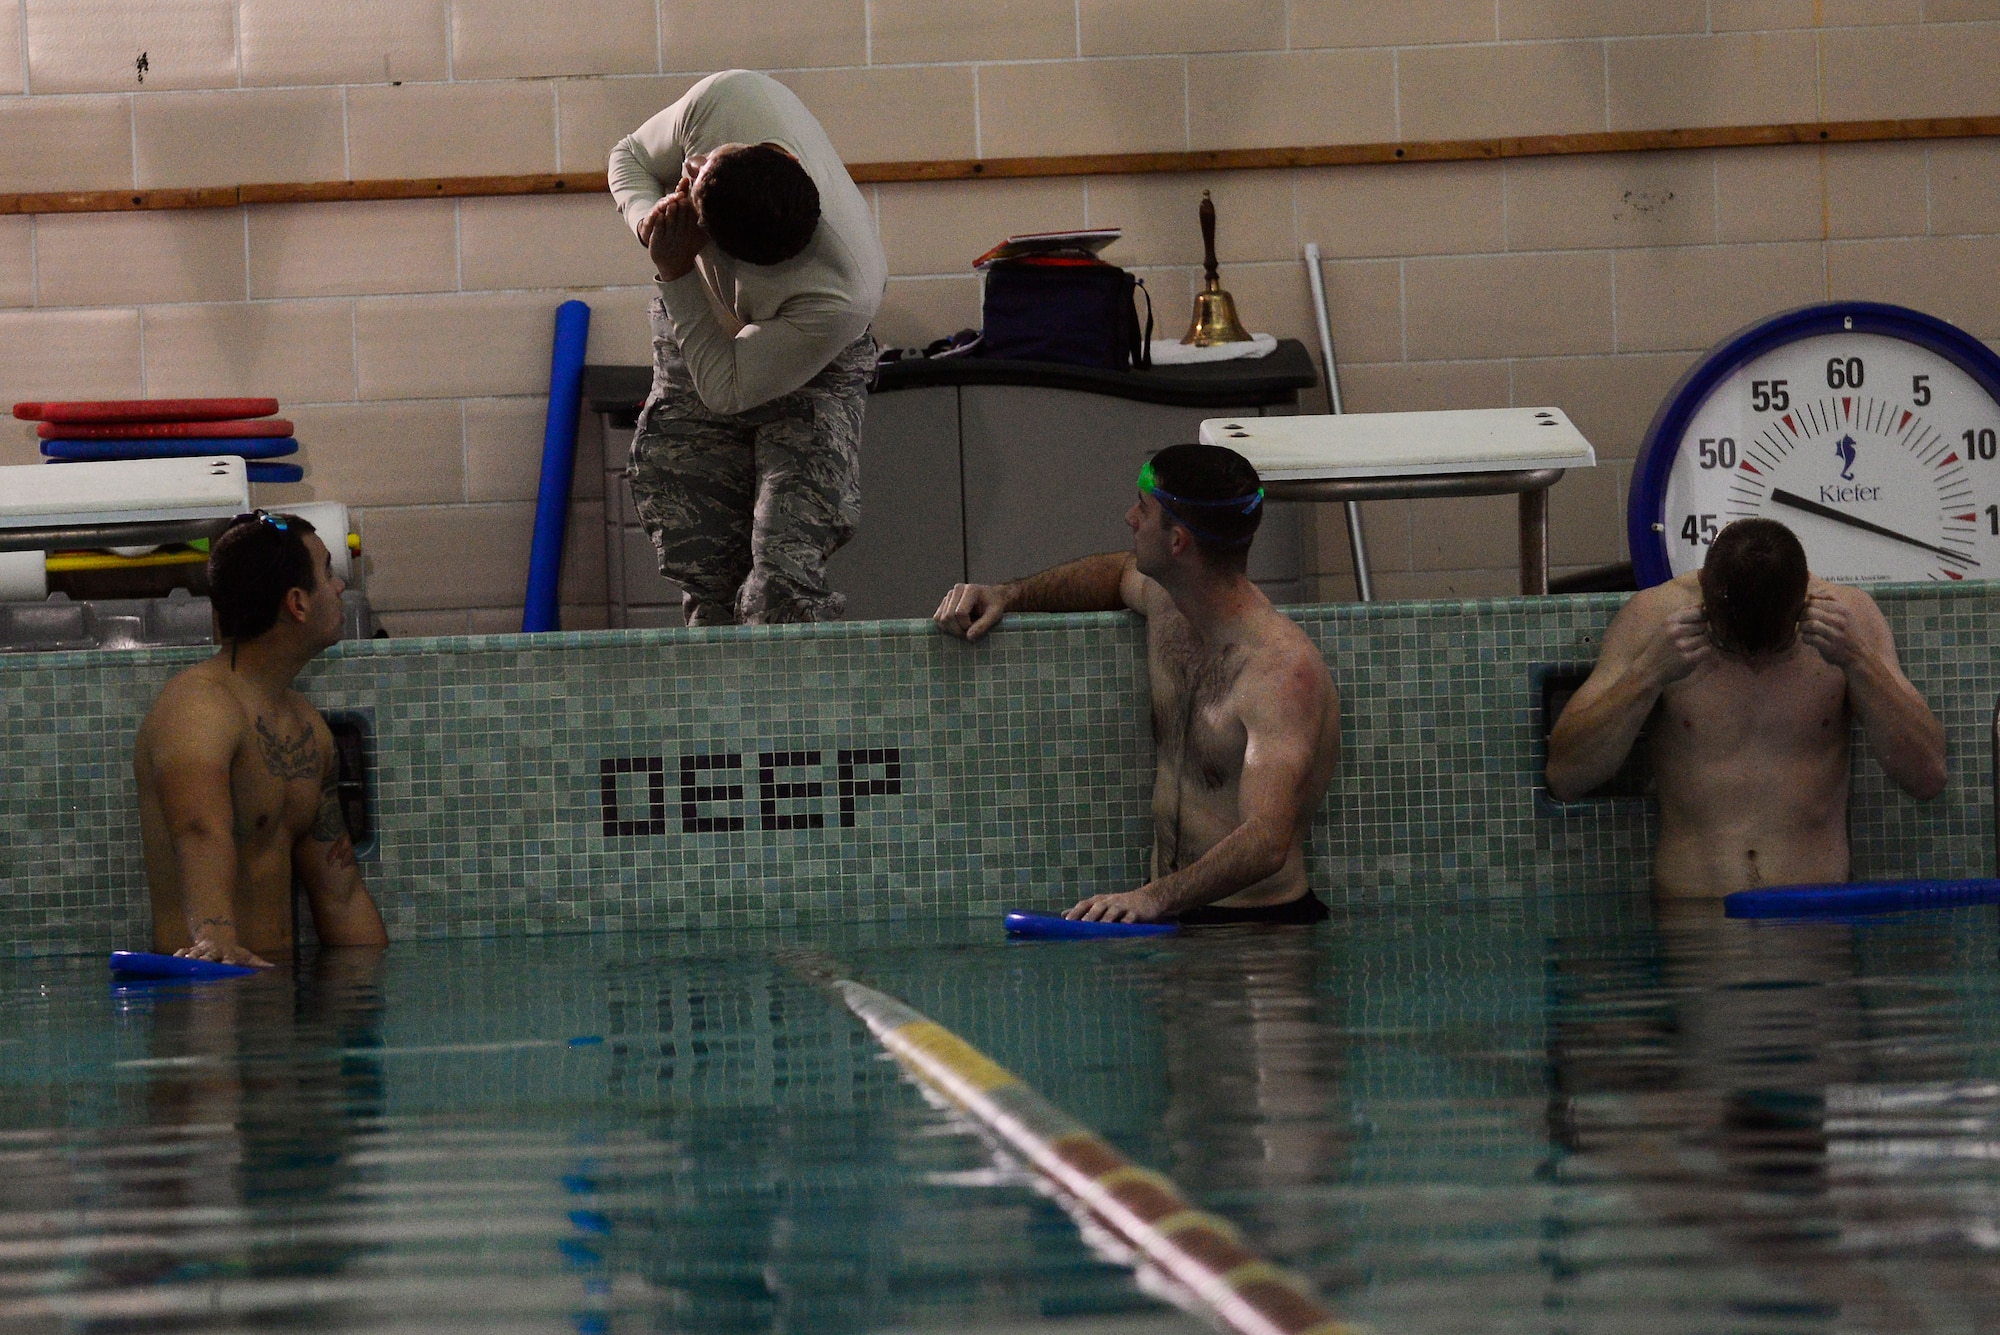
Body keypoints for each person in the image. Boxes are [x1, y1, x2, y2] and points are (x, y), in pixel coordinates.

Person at [934, 443, 1341, 924]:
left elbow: (1267, 841)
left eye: (1143, 510)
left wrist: (1152, 898)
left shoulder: (1280, 672)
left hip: (1262, 935)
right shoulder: (1169, 603)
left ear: (1177, 542)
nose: (1130, 518)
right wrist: (1007, 594)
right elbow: (1115, 572)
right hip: (1174, 917)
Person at [608, 69, 888, 626]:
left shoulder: (843, 290)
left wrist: (677, 268)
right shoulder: (729, 100)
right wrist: (655, 228)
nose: (686, 170)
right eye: (698, 168)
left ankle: (794, 707)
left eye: (691, 179)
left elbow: (729, 389)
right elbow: (630, 157)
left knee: (782, 585)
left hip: (816, 363)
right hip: (696, 324)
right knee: (707, 573)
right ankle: (714, 706)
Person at [1546, 517, 1945, 896]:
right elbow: (1567, 777)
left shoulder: (1850, 619)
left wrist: (1858, 660)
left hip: (1814, 918)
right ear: (1703, 588)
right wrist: (1647, 674)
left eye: (1775, 645)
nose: (1753, 661)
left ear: (1806, 597)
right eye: (1731, 643)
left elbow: (1927, 777)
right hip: (1694, 919)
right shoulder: (1654, 619)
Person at [134, 511, 388, 966]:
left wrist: (370, 998)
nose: (339, 587)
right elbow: (199, 831)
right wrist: (215, 943)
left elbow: (342, 897)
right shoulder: (198, 706)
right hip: (205, 1000)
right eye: (328, 571)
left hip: (274, 996)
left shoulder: (308, 729)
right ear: (298, 603)